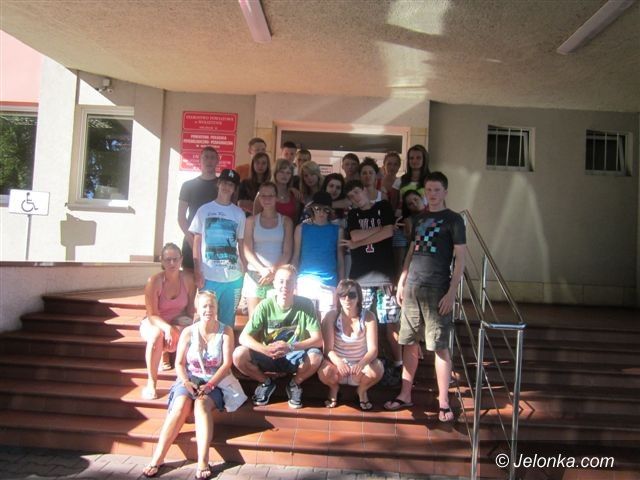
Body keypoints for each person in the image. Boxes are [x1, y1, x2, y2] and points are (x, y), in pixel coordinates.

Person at [385, 172, 466, 424]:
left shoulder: (454, 220)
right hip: (412, 287)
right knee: (409, 342)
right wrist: (402, 280)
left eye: (436, 190)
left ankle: (443, 401)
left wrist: (452, 292)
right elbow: (411, 251)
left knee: (439, 346)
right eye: (428, 190)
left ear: (445, 192)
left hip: (438, 289)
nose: (432, 194)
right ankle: (405, 394)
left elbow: (460, 258)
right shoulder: (419, 219)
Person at [142, 290, 243, 479]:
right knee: (180, 406)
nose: (208, 310)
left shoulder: (225, 331)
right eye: (204, 306)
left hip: (214, 381)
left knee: (201, 405)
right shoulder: (188, 332)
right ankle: (157, 458)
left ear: (217, 308)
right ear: (197, 308)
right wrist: (186, 382)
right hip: (189, 378)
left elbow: (226, 364)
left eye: (212, 306)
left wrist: (210, 385)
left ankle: (203, 461)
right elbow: (179, 363)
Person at [233, 265, 323, 409]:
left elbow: (318, 340)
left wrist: (290, 347)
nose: (284, 286)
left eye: (289, 282)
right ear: (274, 283)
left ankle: (294, 384)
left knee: (316, 356)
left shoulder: (306, 305)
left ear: (295, 285)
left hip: (294, 355)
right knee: (239, 355)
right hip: (269, 355)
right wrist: (264, 349)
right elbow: (243, 337)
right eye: (281, 281)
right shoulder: (265, 306)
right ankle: (265, 382)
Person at [342, 180, 402, 385]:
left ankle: (399, 364)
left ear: (365, 190)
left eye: (357, 192)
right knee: (361, 322)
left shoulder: (382, 206)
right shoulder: (353, 214)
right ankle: (363, 363)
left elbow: (389, 232)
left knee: (391, 321)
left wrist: (357, 243)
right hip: (361, 279)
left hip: (384, 276)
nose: (355, 198)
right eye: (351, 196)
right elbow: (356, 234)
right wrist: (376, 232)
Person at [190, 169, 246, 327]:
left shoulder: (239, 213)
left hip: (233, 278)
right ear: (218, 184)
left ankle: (225, 344)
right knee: (205, 319)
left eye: (231, 185)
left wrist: (245, 269)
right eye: (224, 183)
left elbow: (241, 243)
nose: (227, 187)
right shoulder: (204, 210)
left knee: (227, 321)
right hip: (209, 276)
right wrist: (197, 269)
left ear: (234, 189)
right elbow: (197, 242)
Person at [140, 243, 196, 400]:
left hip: (178, 319)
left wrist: (181, 328)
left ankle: (187, 378)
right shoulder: (154, 281)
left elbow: (190, 311)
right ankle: (151, 382)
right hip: (155, 321)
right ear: (162, 261)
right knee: (156, 335)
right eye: (168, 259)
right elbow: (152, 315)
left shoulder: (188, 280)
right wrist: (167, 328)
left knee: (188, 332)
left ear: (181, 260)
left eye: (175, 259)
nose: (172, 263)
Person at [318, 279, 383, 410]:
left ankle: (362, 390)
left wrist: (361, 364)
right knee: (323, 370)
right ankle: (334, 388)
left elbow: (373, 350)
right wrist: (339, 362)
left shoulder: (368, 316)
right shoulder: (331, 316)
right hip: (338, 368)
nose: (347, 299)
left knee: (378, 368)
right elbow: (328, 349)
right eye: (343, 295)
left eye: (352, 295)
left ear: (359, 297)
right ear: (338, 297)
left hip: (360, 369)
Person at [242, 181, 294, 319]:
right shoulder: (251, 221)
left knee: (275, 320)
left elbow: (287, 252)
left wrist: (273, 271)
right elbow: (247, 249)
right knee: (255, 320)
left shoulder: (286, 221)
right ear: (259, 198)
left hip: (277, 276)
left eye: (270, 195)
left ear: (276, 198)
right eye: (263, 196)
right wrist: (262, 270)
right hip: (255, 275)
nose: (267, 199)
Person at [293, 192, 344, 320]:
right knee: (305, 324)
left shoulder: (338, 230)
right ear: (312, 209)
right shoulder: (301, 228)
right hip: (305, 281)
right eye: (317, 208)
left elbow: (340, 259)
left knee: (328, 324)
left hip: (329, 282)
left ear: (330, 211)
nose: (321, 212)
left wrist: (341, 284)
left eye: (325, 209)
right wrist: (292, 283)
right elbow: (295, 256)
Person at [178, 147, 220, 271]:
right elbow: (181, 217)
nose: (209, 160)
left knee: (212, 281)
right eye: (206, 157)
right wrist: (192, 242)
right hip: (191, 240)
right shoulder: (188, 185)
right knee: (190, 279)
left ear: (217, 161)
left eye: (212, 157)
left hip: (216, 243)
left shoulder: (222, 187)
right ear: (199, 160)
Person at [381, 152, 405, 283]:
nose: (392, 167)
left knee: (397, 261)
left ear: (399, 166)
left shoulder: (401, 183)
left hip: (396, 225)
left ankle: (396, 288)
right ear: (384, 165)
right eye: (389, 163)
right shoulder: (377, 182)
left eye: (395, 164)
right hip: (379, 225)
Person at [256, 158, 301, 223]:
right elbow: (255, 219)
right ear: (275, 172)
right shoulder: (263, 193)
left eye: (288, 173)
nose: (285, 175)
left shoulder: (294, 194)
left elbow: (296, 220)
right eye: (281, 172)